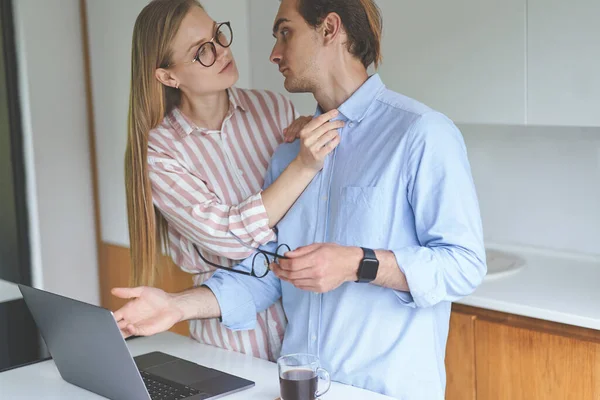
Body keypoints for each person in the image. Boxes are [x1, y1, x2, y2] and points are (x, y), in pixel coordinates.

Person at [114, 0, 487, 397]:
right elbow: (270, 271)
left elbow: (464, 265)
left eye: (285, 32)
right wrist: (176, 306)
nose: (274, 53)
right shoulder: (291, 153)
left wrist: (357, 263)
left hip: (379, 391)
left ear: (329, 29)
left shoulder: (421, 133)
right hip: (297, 386)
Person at [122, 0, 343, 362]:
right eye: (201, 52)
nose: (222, 51)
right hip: (228, 342)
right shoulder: (160, 151)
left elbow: (307, 214)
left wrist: (312, 144)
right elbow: (230, 237)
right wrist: (302, 166)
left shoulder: (273, 109)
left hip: (305, 325)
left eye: (217, 35)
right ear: (168, 77)